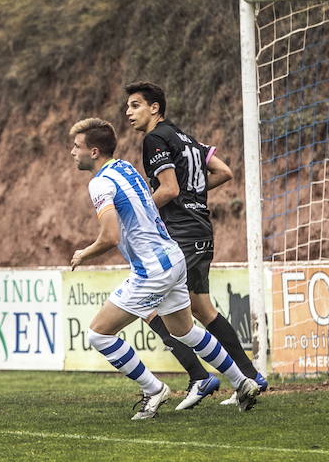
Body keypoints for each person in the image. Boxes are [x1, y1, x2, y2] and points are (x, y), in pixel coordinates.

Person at [67, 119, 260, 420]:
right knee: (184, 331)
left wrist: (84, 253)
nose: (72, 152)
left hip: (151, 270)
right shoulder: (126, 168)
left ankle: (154, 389)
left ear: (93, 151)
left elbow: (110, 236)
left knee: (98, 335)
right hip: (173, 257)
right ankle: (242, 382)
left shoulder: (100, 183)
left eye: (76, 147)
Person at [123, 82, 266, 410]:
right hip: (200, 229)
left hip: (183, 234)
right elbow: (223, 171)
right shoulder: (186, 138)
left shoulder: (155, 139)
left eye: (135, 106)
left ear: (154, 108)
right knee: (202, 309)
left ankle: (200, 377)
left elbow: (169, 189)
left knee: (151, 307)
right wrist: (194, 192)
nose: (128, 113)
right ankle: (249, 375)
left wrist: (138, 216)